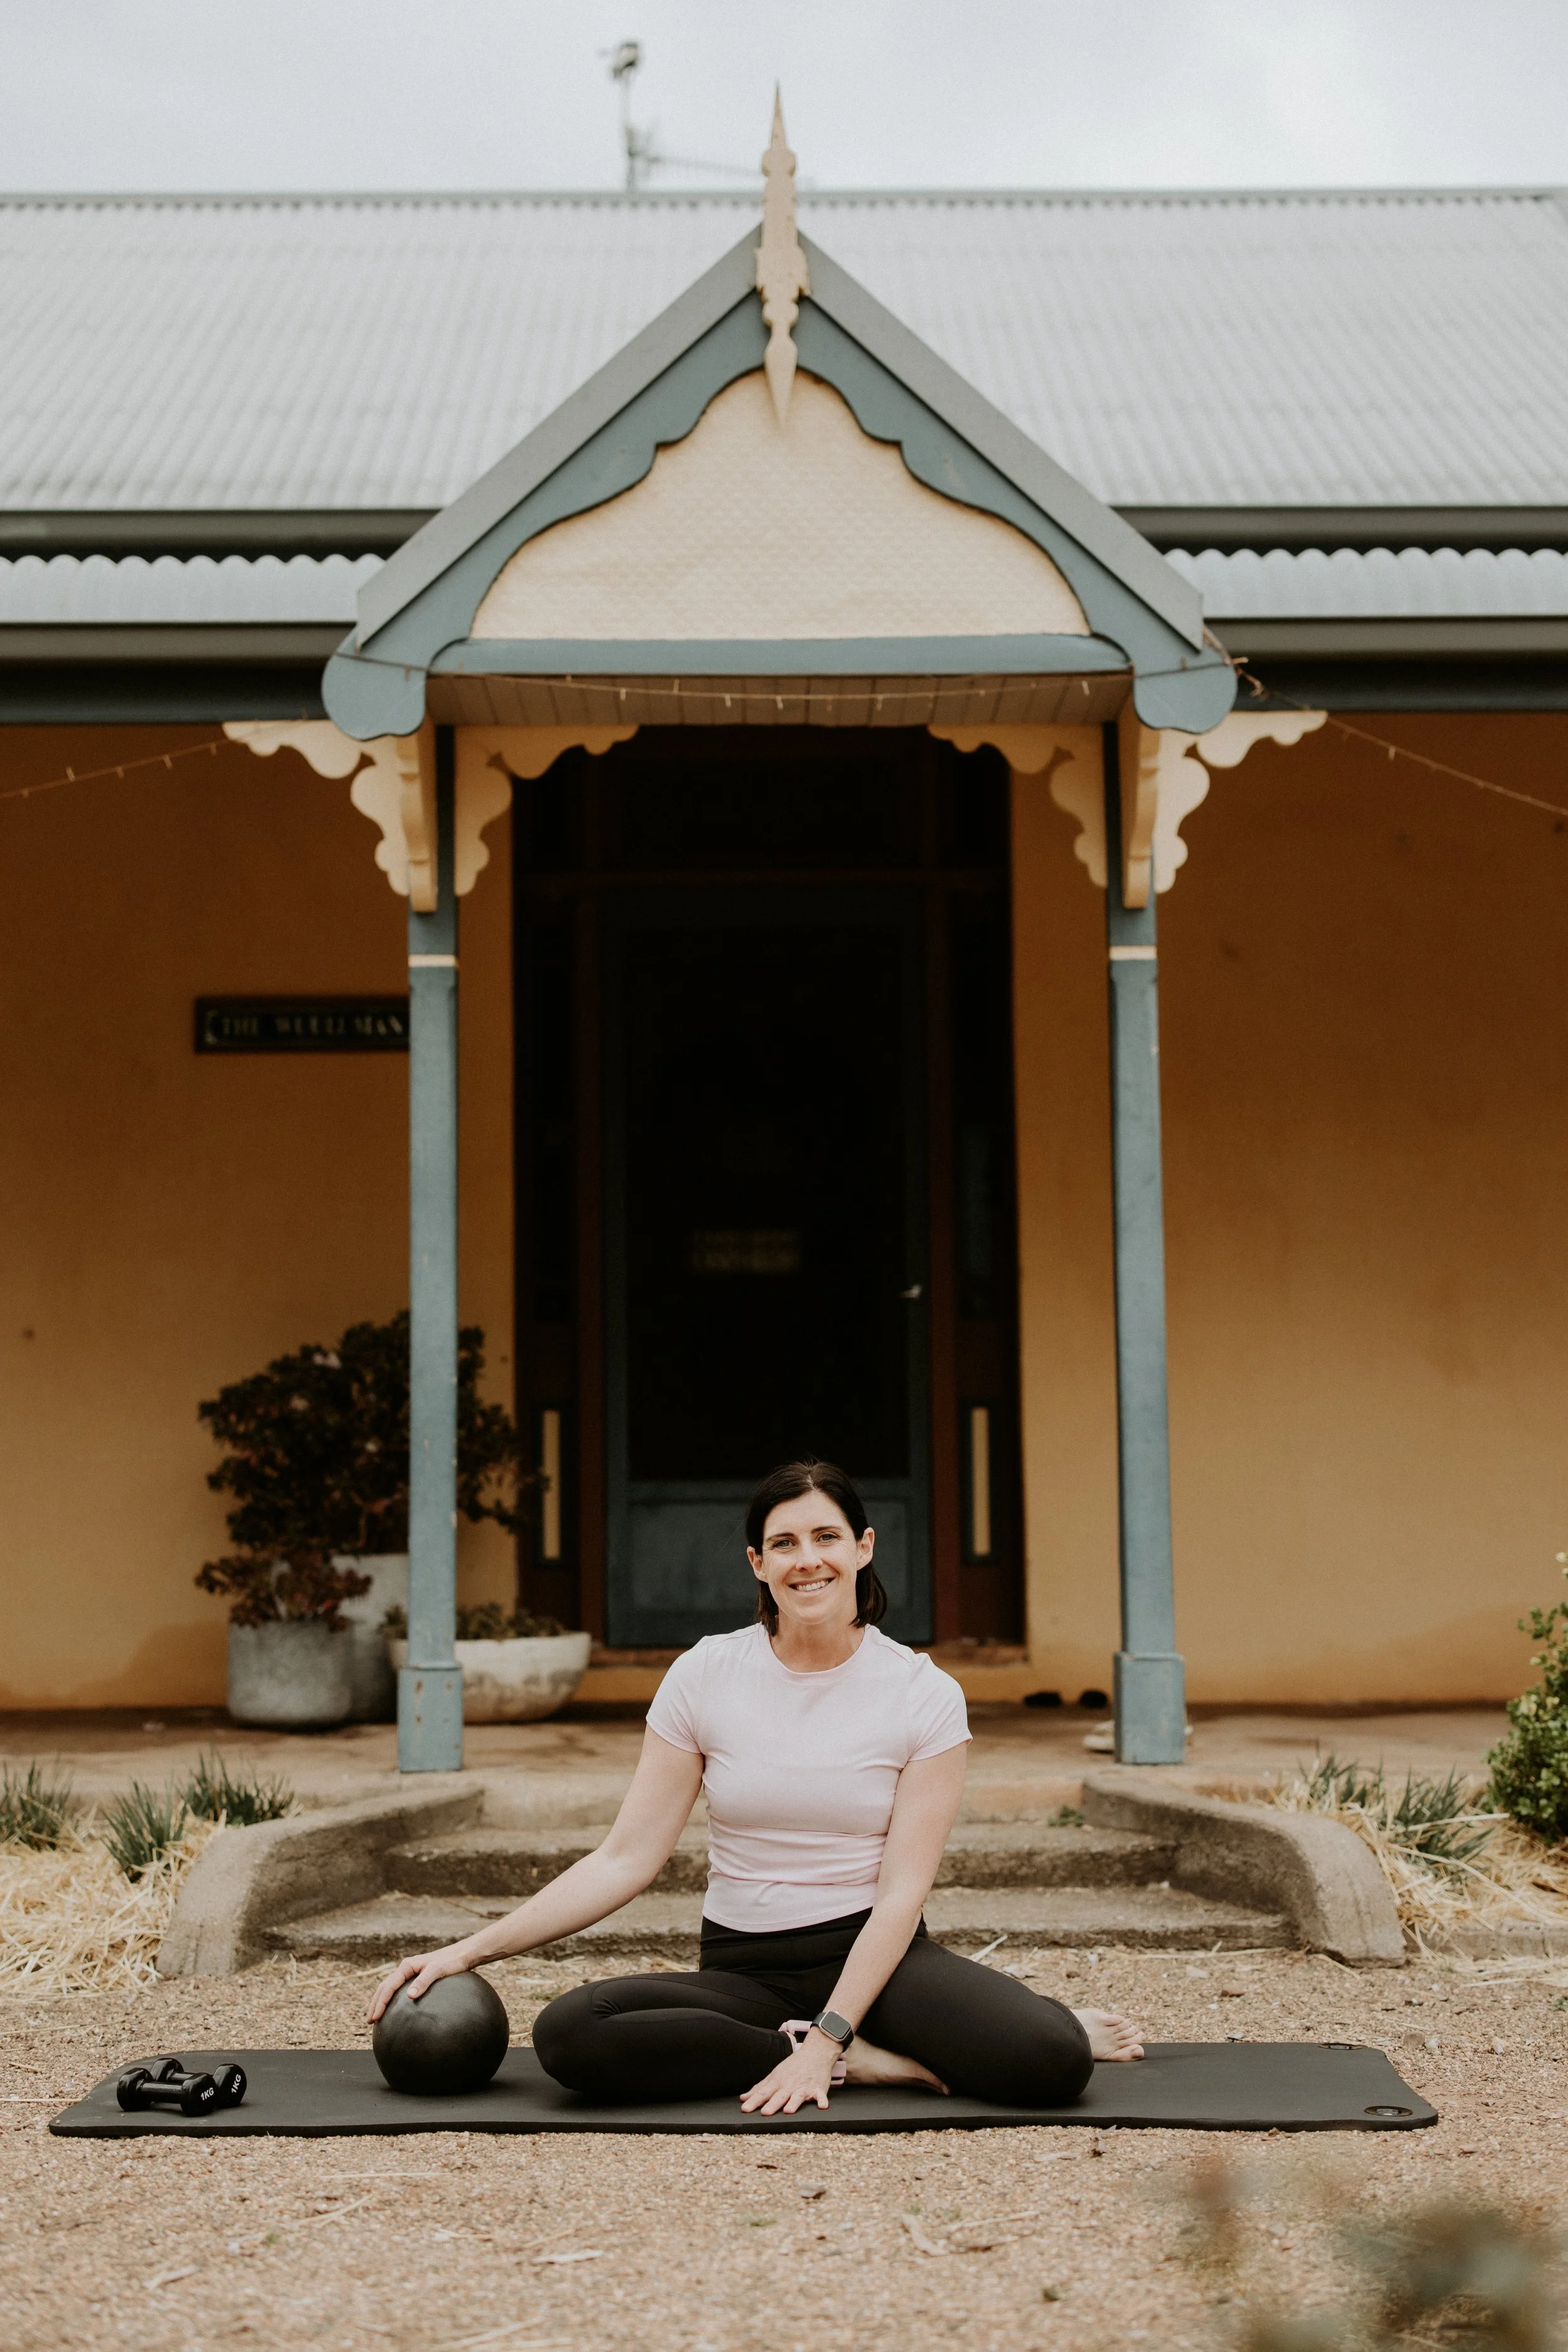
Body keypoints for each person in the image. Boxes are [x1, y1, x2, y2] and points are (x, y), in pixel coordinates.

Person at [369, 1458, 1144, 2113]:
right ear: (757, 1563)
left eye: (825, 1538)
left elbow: (902, 1895)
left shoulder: (921, 1691)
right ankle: (861, 2059)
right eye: (784, 1543)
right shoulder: (706, 1674)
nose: (806, 1559)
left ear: (864, 1548)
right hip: (745, 1970)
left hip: (876, 1955)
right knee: (571, 2033)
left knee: (1052, 2061)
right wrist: (468, 1952)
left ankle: (858, 2036)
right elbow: (624, 1860)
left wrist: (832, 2030)